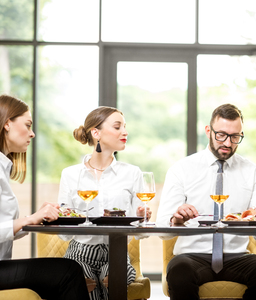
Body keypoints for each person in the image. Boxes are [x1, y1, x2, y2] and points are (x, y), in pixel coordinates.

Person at [156, 103, 256, 300]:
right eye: (221, 135)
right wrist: (176, 220)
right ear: (208, 131)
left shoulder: (253, 172)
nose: (228, 143)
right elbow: (163, 230)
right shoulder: (182, 169)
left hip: (238, 257)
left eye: (235, 137)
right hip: (192, 256)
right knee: (180, 272)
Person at [0, 94, 89, 300]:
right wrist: (28, 220)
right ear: (7, 124)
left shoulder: (3, 167)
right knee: (68, 271)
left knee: (65, 274)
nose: (32, 134)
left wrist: (36, 217)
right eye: (28, 125)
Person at [58, 106, 149, 300]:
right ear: (96, 133)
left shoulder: (133, 173)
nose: (125, 132)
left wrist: (142, 218)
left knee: (113, 279)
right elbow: (64, 234)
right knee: (85, 282)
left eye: (125, 127)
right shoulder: (70, 174)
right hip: (79, 252)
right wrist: (64, 217)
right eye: (117, 127)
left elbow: (140, 232)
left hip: (116, 251)